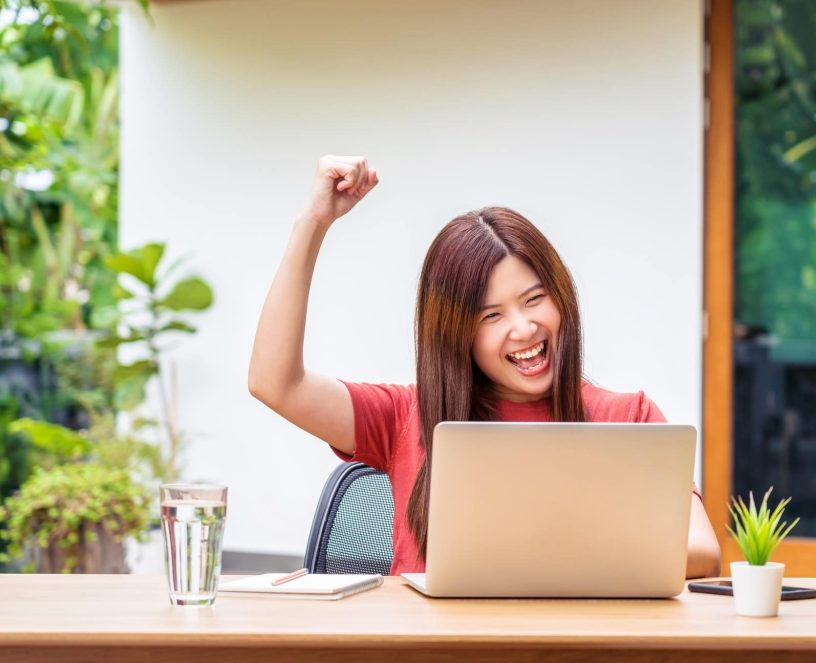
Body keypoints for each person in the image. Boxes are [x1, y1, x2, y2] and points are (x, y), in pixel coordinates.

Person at [249, 155, 722, 578]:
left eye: (535, 299)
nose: (524, 328)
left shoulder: (630, 419)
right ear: (458, 334)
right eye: (491, 316)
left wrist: (551, 552)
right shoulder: (406, 415)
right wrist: (313, 223)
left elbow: (701, 551)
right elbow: (276, 383)